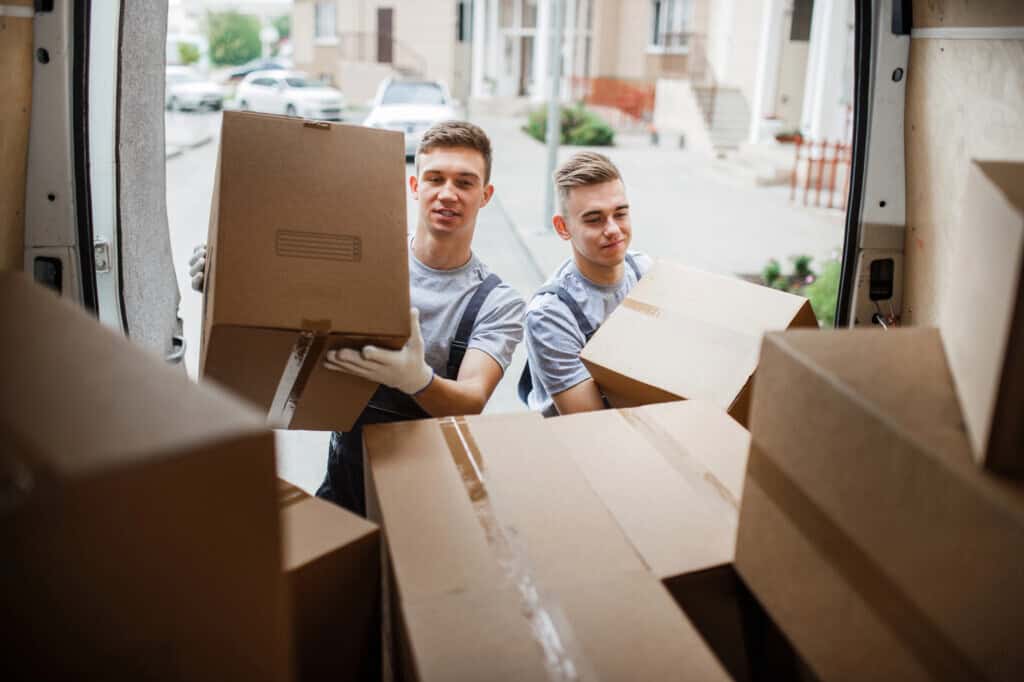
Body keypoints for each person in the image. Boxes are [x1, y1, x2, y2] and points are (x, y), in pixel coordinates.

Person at [192, 121, 525, 516]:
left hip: (430, 503)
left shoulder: (497, 301)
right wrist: (230, 281)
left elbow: (472, 399)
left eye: (465, 183)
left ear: (485, 196)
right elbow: (289, 303)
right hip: (344, 488)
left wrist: (417, 380)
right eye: (435, 178)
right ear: (415, 186)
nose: (447, 194)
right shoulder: (363, 261)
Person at [518, 151, 651, 417]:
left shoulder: (645, 272)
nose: (613, 229)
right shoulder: (551, 314)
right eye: (594, 219)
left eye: (620, 214)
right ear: (562, 227)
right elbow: (591, 421)